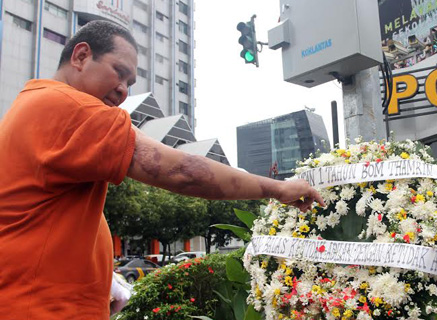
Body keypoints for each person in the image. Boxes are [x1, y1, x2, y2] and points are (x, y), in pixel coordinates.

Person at [0, 20, 324, 319]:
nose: (124, 90)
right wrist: (279, 189)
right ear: (81, 56)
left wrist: (101, 277)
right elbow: (182, 171)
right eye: (118, 72)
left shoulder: (35, 104)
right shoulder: (69, 108)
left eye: (130, 82)